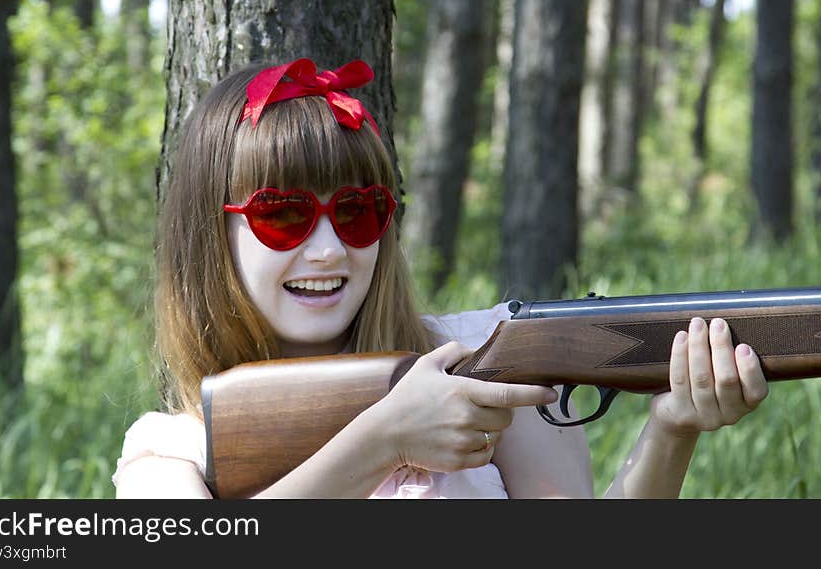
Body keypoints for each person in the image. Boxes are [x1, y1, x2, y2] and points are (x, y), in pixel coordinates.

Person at [113, 57, 769, 499]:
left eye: (357, 211)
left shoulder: (490, 355)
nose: (328, 248)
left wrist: (672, 427)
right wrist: (384, 438)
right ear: (210, 233)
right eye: (282, 216)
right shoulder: (172, 445)